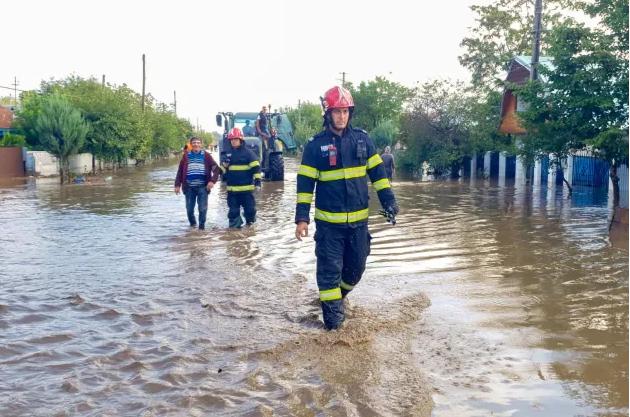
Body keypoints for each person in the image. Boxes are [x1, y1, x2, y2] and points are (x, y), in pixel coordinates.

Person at [294, 86, 399, 330]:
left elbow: (379, 176)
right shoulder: (314, 147)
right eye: (337, 112)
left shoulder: (362, 139)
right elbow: (305, 186)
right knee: (329, 273)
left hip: (358, 225)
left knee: (355, 269)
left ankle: (336, 300)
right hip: (329, 227)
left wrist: (390, 202)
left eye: (345, 111)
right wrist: (302, 219)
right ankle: (333, 332)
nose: (342, 116)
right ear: (328, 114)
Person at [175, 136, 220, 230]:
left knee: (202, 209)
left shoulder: (206, 155)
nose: (196, 144)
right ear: (191, 145)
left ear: (201, 144)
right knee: (189, 210)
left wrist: (212, 181)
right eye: (194, 142)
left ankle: (201, 228)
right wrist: (177, 185)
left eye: (198, 142)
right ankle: (193, 225)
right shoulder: (186, 156)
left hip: (203, 187)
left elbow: (216, 169)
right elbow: (180, 171)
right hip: (189, 187)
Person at [220, 127, 262, 228]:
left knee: (250, 211)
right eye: (232, 140)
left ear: (240, 140)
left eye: (236, 139)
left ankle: (249, 224)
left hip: (247, 191)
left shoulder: (248, 153)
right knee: (233, 212)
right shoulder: (227, 154)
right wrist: (223, 167)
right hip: (232, 191)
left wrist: (258, 182)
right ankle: (234, 235)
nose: (233, 141)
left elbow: (256, 167)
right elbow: (222, 172)